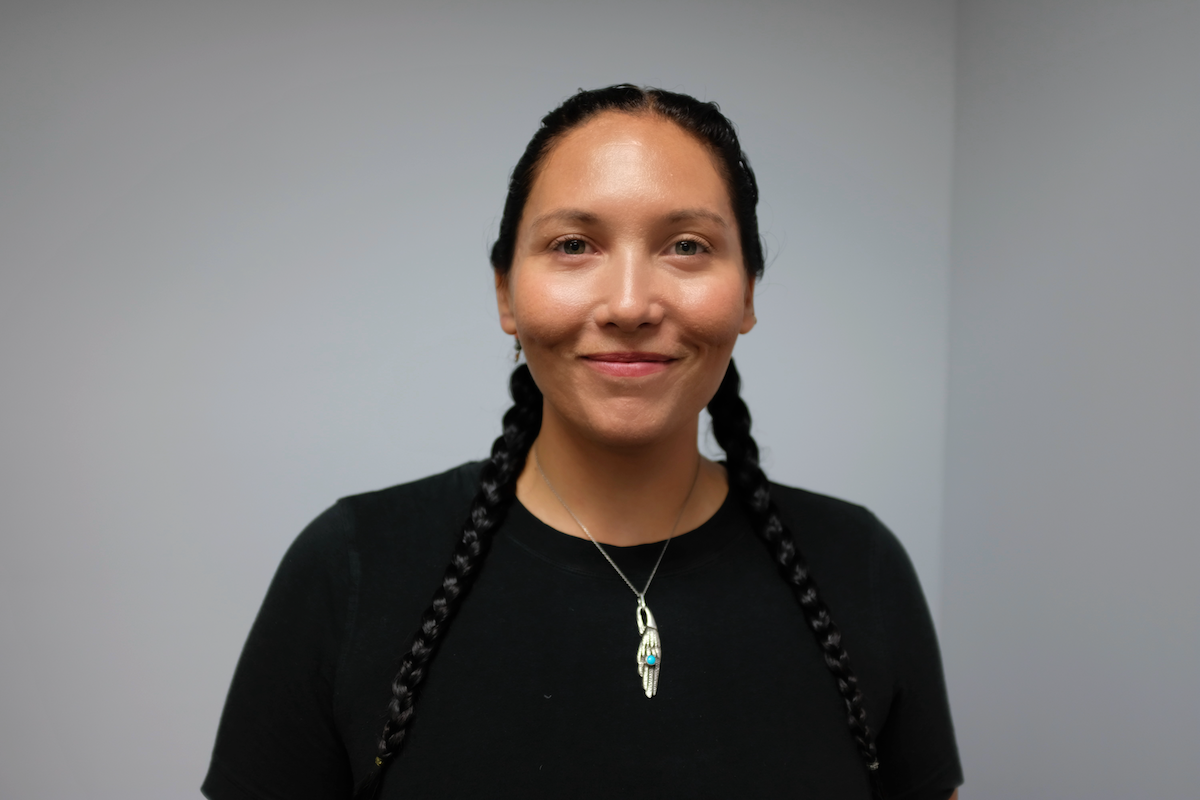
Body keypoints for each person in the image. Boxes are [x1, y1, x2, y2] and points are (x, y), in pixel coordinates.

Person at [202, 85, 962, 800]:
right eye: (573, 244)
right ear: (505, 291)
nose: (630, 304)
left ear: (749, 295)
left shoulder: (858, 565)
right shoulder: (352, 566)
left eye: (688, 246)